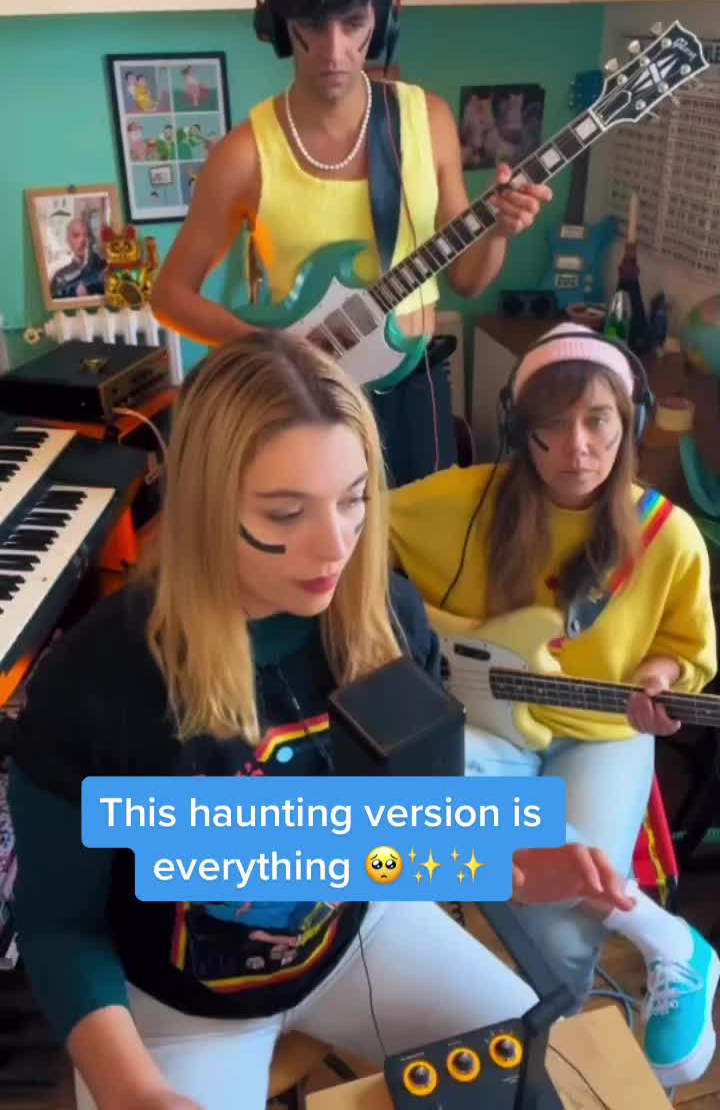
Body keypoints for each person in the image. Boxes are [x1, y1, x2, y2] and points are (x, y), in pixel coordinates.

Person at [9, 331, 633, 1110]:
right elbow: (58, 925)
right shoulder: (98, 679)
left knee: (546, 1082)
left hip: (359, 936)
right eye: (286, 512)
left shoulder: (389, 620)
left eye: (354, 498)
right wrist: (130, 1088)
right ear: (206, 506)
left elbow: (400, 824)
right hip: (178, 1012)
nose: (336, 546)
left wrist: (498, 859)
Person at [388, 321, 720, 1089]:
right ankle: (667, 939)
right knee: (428, 789)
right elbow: (353, 525)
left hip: (604, 732)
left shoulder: (667, 537)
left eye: (598, 421)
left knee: (564, 926)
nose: (578, 447)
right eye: (553, 424)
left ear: (629, 423)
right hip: (486, 723)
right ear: (520, 429)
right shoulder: (459, 502)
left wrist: (660, 679)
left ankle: (553, 1055)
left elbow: (687, 647)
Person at [149, 0, 552, 486]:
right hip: (309, 395)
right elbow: (170, 295)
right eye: (314, 25)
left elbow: (466, 280)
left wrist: (500, 232)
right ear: (282, 26)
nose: (334, 51)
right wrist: (274, 350)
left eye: (354, 23)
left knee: (419, 536)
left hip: (415, 386)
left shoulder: (428, 121)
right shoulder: (244, 156)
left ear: (380, 22)